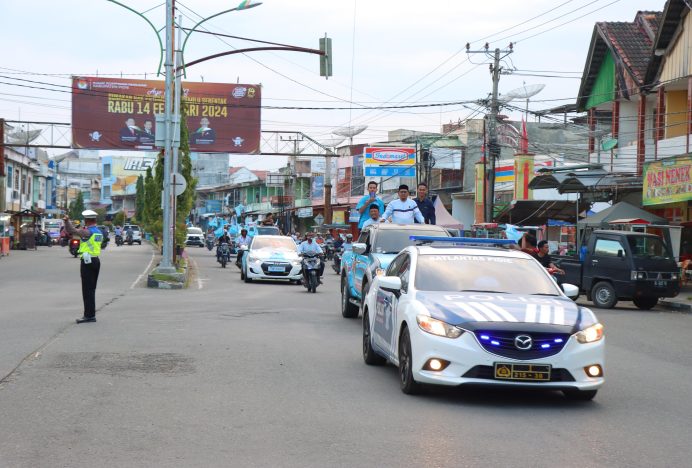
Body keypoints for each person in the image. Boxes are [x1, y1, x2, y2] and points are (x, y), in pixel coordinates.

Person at [64, 210, 104, 324]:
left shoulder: (87, 232)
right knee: (91, 289)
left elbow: (71, 230)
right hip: (96, 260)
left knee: (87, 290)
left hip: (88, 262)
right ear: (95, 220)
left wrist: (67, 221)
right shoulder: (99, 232)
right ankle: (91, 314)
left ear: (87, 220)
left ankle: (89, 315)